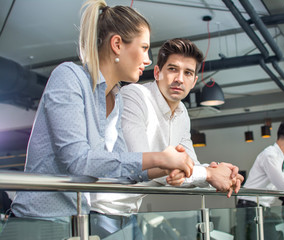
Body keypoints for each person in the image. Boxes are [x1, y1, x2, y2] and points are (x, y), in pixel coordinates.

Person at [2, 1, 194, 239]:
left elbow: (117, 169)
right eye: (144, 48)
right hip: (37, 224)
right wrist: (159, 157)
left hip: (75, 223)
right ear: (117, 44)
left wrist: (164, 168)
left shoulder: (116, 97)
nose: (147, 60)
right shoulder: (69, 77)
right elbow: (78, 161)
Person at [89, 38, 244, 239]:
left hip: (131, 212)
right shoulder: (134, 95)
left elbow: (191, 164)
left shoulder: (182, 113)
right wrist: (207, 174)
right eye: (172, 69)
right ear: (157, 72)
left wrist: (220, 173)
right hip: (101, 212)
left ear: (194, 81)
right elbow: (140, 163)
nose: (179, 78)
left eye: (188, 72)